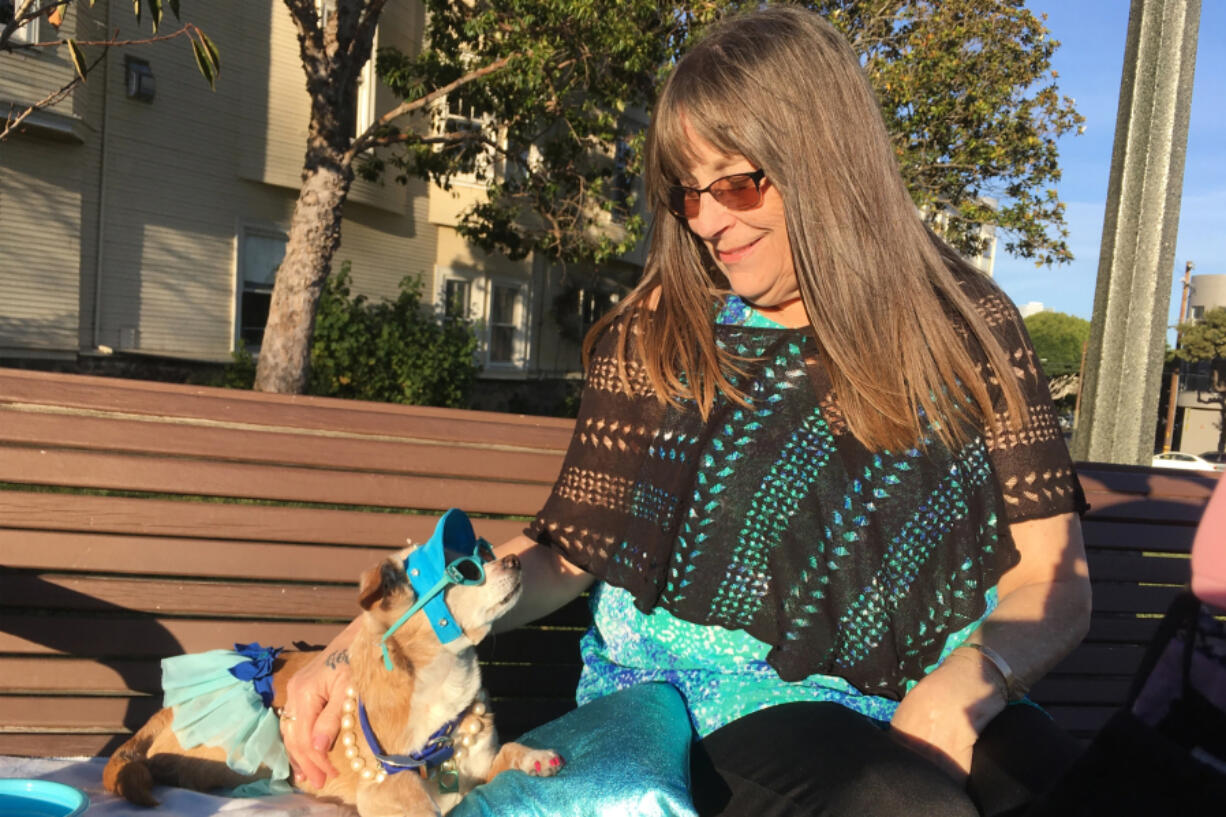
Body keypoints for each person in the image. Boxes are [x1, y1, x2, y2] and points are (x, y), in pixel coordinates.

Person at [280, 7, 1091, 816]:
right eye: (685, 190)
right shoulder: (666, 330)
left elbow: (1054, 581)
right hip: (699, 714)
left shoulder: (966, 325)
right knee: (902, 805)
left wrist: (960, 689)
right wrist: (367, 640)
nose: (706, 220)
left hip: (933, 697)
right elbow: (568, 551)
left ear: (827, 161)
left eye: (737, 182)